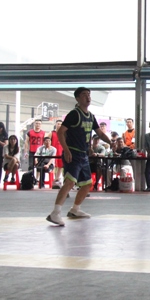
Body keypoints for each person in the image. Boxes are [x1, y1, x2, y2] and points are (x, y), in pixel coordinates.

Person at [45, 87, 111, 226]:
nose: (88, 97)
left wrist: (111, 143)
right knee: (69, 182)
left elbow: (99, 133)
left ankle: (75, 209)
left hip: (83, 155)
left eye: (89, 94)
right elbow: (60, 132)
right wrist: (66, 150)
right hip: (73, 153)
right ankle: (55, 213)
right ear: (77, 98)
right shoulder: (74, 114)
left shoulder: (91, 116)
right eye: (84, 95)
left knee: (87, 184)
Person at [50, 119, 64, 185]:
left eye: (61, 124)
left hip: (61, 152)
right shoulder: (52, 133)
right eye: (58, 124)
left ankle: (57, 179)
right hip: (54, 152)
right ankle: (53, 179)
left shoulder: (64, 133)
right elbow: (46, 140)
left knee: (60, 166)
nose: (59, 125)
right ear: (55, 125)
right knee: (53, 166)